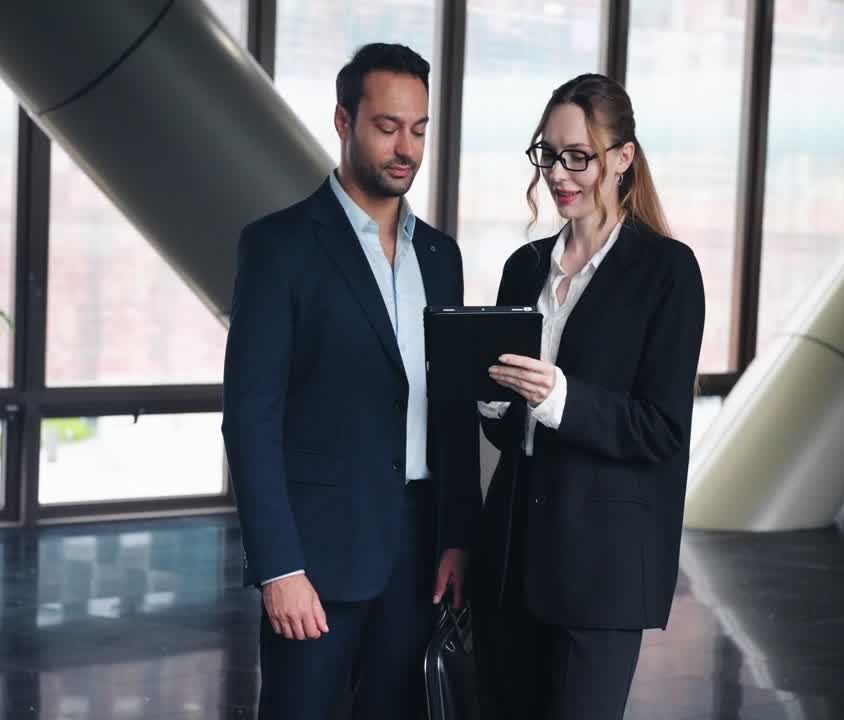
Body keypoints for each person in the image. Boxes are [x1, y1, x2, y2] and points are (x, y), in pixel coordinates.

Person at [222, 43, 480, 720]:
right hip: (316, 556)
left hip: (420, 553)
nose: (406, 147)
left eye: (420, 129)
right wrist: (278, 569)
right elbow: (250, 419)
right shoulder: (279, 248)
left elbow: (449, 406)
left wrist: (457, 536)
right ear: (343, 121)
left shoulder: (441, 256)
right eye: (387, 126)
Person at [470, 72, 705, 720]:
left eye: (579, 156)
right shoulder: (525, 267)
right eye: (548, 153)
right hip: (509, 560)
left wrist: (560, 398)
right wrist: (492, 402)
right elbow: (512, 432)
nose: (559, 173)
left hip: (599, 572)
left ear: (622, 158)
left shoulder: (668, 272)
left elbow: (661, 429)